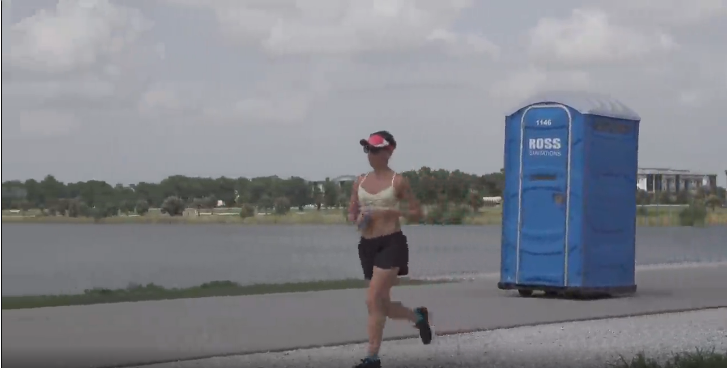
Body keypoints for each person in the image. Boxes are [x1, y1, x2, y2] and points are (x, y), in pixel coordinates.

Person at [348, 131, 432, 368]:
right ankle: (417, 317)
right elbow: (351, 213)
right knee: (380, 303)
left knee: (373, 299)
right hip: (367, 246)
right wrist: (358, 219)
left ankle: (372, 358)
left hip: (391, 243)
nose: (371, 155)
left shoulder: (398, 181)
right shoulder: (360, 181)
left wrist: (392, 213)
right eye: (368, 150)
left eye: (375, 150)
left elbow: (417, 212)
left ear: (389, 151)